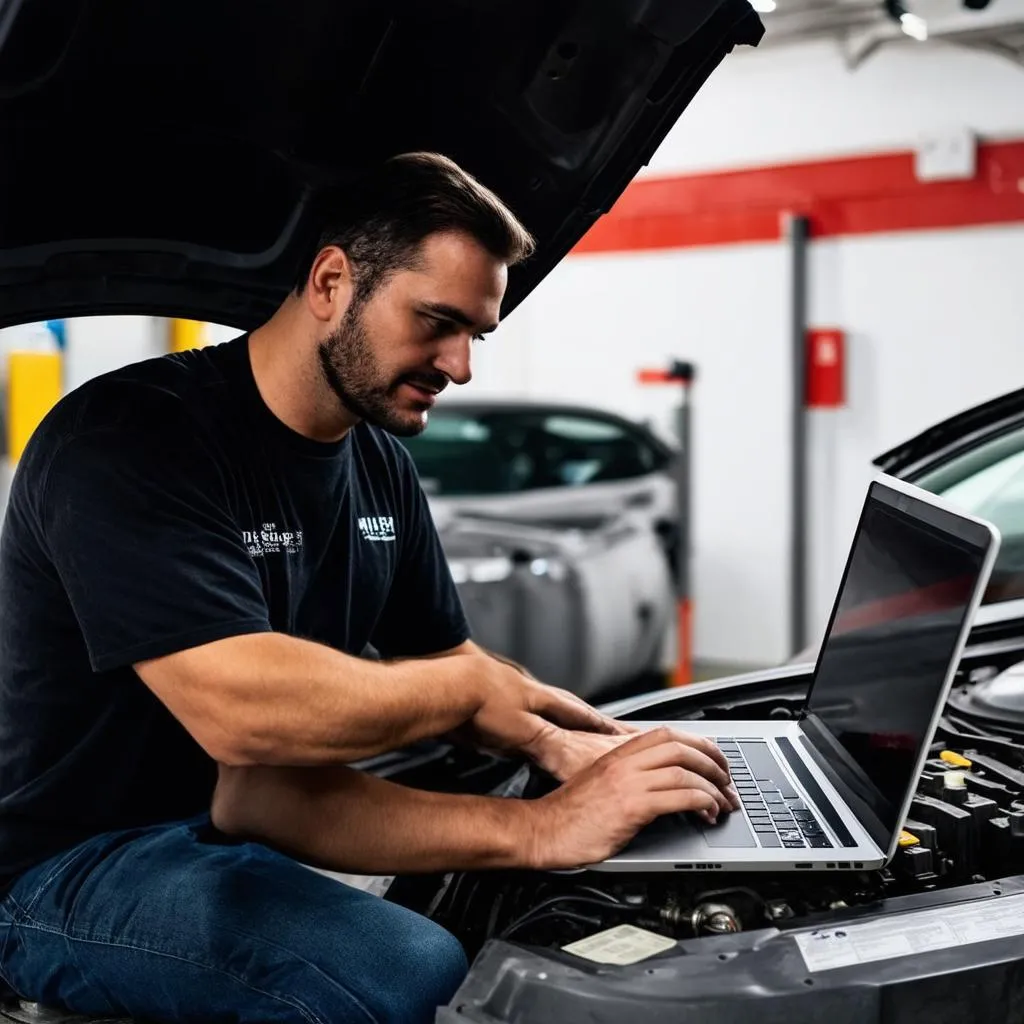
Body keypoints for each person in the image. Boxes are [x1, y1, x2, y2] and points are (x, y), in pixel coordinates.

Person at [0, 152, 739, 1024]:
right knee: (412, 969)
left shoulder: (378, 466)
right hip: (70, 863)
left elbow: (448, 660)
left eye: (476, 334)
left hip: (250, 811)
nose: (460, 366)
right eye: (435, 321)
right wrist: (542, 825)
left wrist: (571, 742)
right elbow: (246, 718)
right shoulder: (131, 438)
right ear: (330, 281)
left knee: (533, 921)